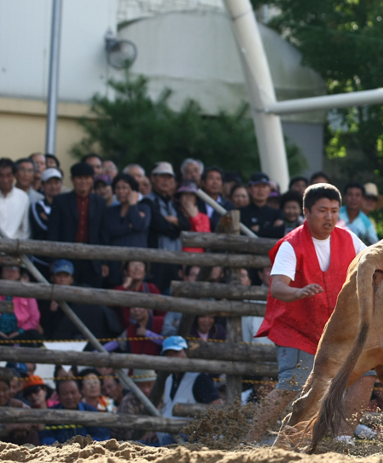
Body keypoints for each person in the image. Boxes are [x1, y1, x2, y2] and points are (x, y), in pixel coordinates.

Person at [247, 183, 369, 442]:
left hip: (337, 329)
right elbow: (278, 287)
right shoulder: (291, 245)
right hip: (298, 329)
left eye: (335, 211)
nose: (329, 217)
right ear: (306, 212)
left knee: (366, 373)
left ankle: (343, 439)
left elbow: (373, 268)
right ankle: (249, 439)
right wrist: (298, 292)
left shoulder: (350, 239)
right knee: (292, 387)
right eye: (322, 210)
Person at [47, 161, 107, 287]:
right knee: (66, 294)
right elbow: (53, 232)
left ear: (92, 180)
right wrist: (53, 259)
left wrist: (104, 261)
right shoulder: (60, 201)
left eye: (87, 178)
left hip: (92, 258)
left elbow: (103, 233)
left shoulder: (100, 202)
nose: (83, 182)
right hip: (66, 255)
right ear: (72, 180)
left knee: (91, 297)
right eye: (79, 178)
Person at [156, 336, 223, 445]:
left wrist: (202, 429)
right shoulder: (168, 380)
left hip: (191, 440)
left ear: (186, 354)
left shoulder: (200, 379)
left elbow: (218, 407)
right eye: (169, 354)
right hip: (167, 438)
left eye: (176, 352)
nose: (173, 358)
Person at [41, 260, 123, 340]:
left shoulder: (82, 291)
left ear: (72, 279)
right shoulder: (45, 296)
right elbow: (46, 328)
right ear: (52, 278)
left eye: (66, 276)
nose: (62, 279)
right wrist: (52, 312)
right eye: (59, 275)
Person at [147, 162, 186, 292]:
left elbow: (186, 224)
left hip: (174, 260)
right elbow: (159, 225)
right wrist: (176, 226)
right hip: (156, 261)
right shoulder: (147, 201)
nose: (165, 181)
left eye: (169, 177)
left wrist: (174, 220)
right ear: (153, 178)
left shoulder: (173, 203)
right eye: (161, 176)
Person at [104, 173, 150, 282]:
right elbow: (109, 232)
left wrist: (133, 204)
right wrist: (129, 227)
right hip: (115, 261)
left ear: (133, 190)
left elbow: (139, 225)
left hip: (136, 262)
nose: (121, 191)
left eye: (125, 188)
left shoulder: (144, 208)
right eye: (118, 188)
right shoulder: (111, 211)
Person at [39, 377, 111, 445]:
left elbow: (101, 437)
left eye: (73, 393)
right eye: (65, 394)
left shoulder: (92, 412)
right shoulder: (51, 414)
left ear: (80, 393)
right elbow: (46, 438)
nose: (70, 397)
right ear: (58, 396)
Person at [111, 368, 159, 443]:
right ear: (135, 386)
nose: (146, 390)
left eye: (149, 385)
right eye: (142, 386)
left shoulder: (162, 398)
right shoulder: (128, 402)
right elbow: (129, 434)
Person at [0, 264, 42, 345]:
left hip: (20, 333)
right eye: (7, 267)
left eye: (15, 267)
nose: (11, 271)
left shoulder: (28, 292)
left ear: (20, 272)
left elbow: (34, 319)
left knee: (34, 335)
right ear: (1, 272)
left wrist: (19, 331)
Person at [240, 172, 286, 238]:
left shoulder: (277, 213)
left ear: (269, 190)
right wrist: (270, 229)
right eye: (257, 186)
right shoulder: (242, 213)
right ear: (249, 189)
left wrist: (259, 229)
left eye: (264, 186)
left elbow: (280, 232)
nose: (261, 190)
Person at [0, 368, 38, 445]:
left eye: (5, 390)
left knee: (31, 433)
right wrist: (13, 426)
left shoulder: (16, 404)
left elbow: (37, 421)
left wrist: (24, 425)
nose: (1, 394)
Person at [30, 167, 64, 241]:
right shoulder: (37, 205)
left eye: (56, 182)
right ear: (42, 185)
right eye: (49, 182)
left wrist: (48, 218)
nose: (53, 186)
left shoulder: (66, 205)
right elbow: (42, 226)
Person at [0, 158, 30, 240]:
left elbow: (25, 230)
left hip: (14, 248)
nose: (5, 180)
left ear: (14, 176)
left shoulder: (23, 197)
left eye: (8, 175)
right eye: (1, 176)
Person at [176, 182, 212, 248]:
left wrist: (195, 218)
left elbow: (206, 238)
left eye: (191, 195)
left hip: (198, 256)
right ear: (180, 198)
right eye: (185, 194)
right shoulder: (174, 212)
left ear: (196, 199)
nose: (188, 198)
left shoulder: (204, 217)